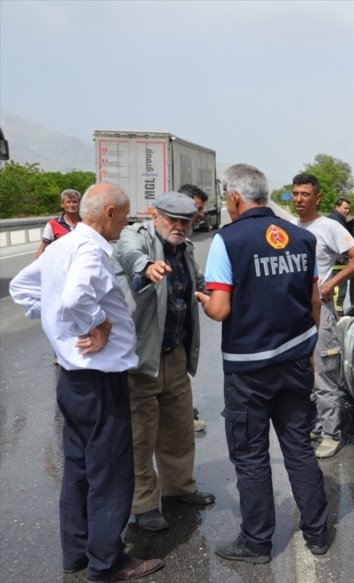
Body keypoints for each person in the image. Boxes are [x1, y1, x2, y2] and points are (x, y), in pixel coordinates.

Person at [9, 183, 164, 581]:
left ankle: (76, 553)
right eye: (125, 216)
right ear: (109, 212)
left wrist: (59, 333)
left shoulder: (60, 245)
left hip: (72, 378)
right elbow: (76, 297)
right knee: (109, 472)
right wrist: (101, 323)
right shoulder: (92, 248)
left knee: (78, 469)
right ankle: (107, 562)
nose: (126, 223)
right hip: (99, 380)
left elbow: (22, 287)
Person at [195, 163, 331, 562]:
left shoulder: (228, 240)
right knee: (299, 448)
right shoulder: (303, 238)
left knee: (251, 455)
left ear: (235, 197)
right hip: (294, 362)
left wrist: (204, 300)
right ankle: (318, 534)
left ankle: (256, 542)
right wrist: (307, 347)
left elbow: (220, 310)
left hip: (248, 370)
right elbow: (315, 301)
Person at [113, 192, 215, 533]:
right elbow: (129, 257)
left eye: (186, 222)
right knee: (141, 435)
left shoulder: (185, 250)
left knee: (179, 427)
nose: (179, 226)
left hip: (175, 352)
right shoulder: (136, 237)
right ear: (156, 215)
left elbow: (198, 285)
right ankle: (143, 504)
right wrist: (147, 267)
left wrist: (214, 292)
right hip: (141, 357)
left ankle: (179, 488)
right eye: (172, 219)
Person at [291, 173, 354, 459]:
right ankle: (314, 424)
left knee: (324, 369)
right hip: (295, 311)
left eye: (305, 194)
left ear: (317, 198)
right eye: (295, 194)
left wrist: (329, 284)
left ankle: (330, 433)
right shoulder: (288, 228)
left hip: (320, 309)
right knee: (300, 370)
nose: (299, 199)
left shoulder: (329, 227)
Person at [179, 183, 210, 433]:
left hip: (180, 328)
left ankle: (184, 412)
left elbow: (199, 282)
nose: (202, 214)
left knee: (178, 375)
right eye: (198, 209)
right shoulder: (150, 240)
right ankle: (182, 417)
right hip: (161, 331)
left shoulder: (185, 244)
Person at [36, 188, 81, 257]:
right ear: (62, 204)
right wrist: (39, 266)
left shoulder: (86, 223)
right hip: (61, 266)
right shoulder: (53, 224)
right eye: (68, 202)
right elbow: (42, 248)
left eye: (74, 202)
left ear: (79, 204)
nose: (72, 205)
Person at [326, 197, 350, 312]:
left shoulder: (335, 218)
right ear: (337, 207)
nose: (347, 211)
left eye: (348, 209)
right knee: (340, 288)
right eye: (345, 208)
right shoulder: (336, 220)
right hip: (338, 260)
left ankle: (336, 310)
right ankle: (337, 312)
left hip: (336, 260)